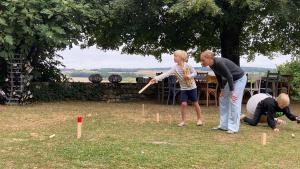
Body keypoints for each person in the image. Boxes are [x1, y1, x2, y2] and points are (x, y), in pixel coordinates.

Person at [150, 50, 203, 127]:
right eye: (174, 56)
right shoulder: (175, 68)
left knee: (195, 103)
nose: (174, 58)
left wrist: (188, 76)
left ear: (181, 58)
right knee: (183, 104)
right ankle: (183, 121)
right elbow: (166, 74)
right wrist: (155, 79)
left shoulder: (188, 65)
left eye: (175, 56)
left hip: (192, 87)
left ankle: (199, 119)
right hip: (184, 89)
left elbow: (195, 73)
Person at [200, 50, 247, 134]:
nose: (201, 62)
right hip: (231, 80)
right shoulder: (212, 65)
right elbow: (218, 76)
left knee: (234, 100)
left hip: (239, 79)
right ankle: (224, 125)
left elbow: (229, 76)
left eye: (203, 60)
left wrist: (232, 91)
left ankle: (233, 128)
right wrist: (222, 89)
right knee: (222, 98)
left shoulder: (219, 62)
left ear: (209, 58)